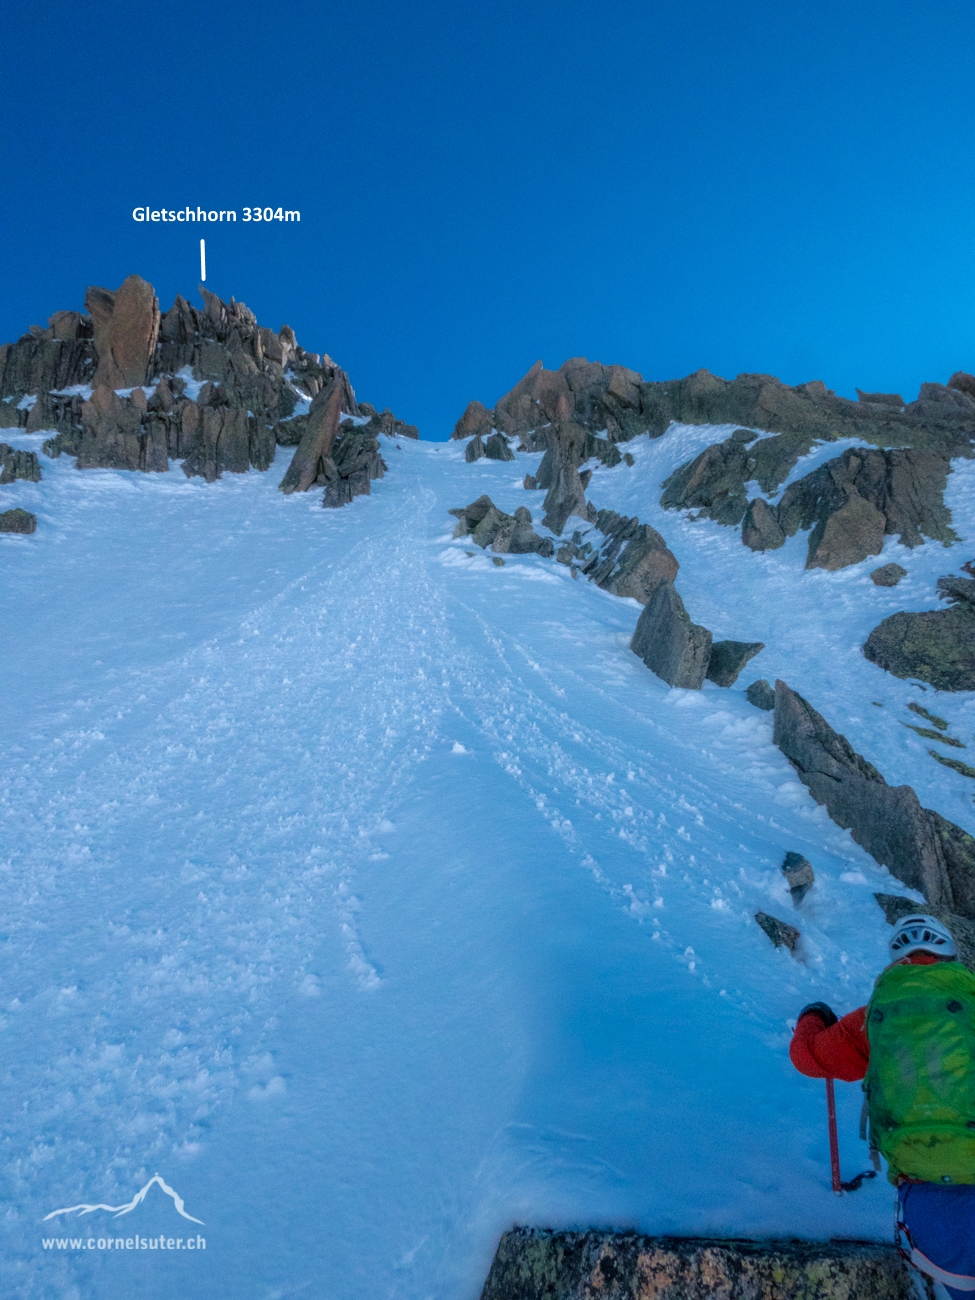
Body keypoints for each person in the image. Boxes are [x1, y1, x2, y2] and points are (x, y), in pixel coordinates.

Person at [790, 914, 975, 1297]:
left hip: (931, 1205)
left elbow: (807, 1057)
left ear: (896, 962)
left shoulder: (876, 1018)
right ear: (952, 957)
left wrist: (813, 1017)